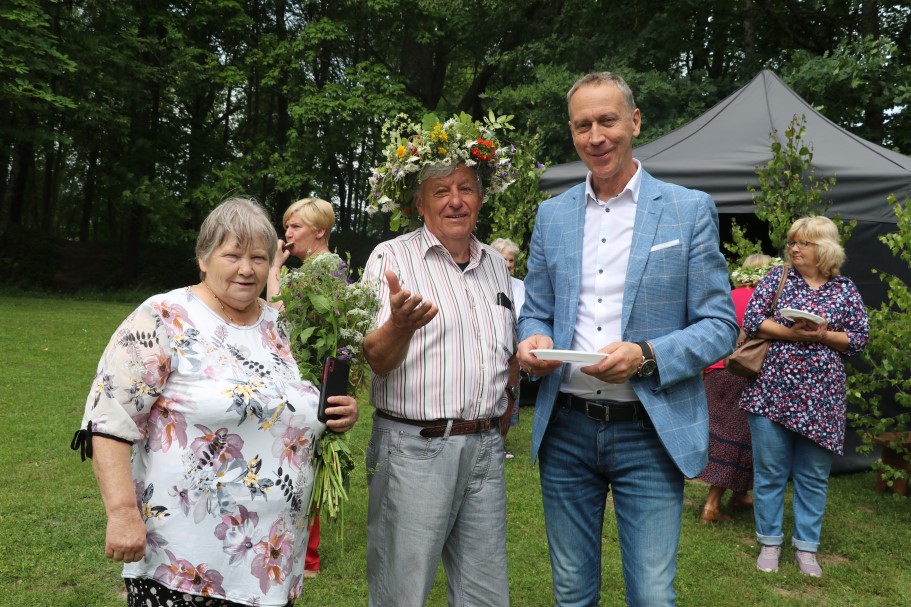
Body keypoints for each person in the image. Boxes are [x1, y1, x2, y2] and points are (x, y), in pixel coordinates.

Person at [516, 71, 739, 606]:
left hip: (649, 430)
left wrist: (647, 356)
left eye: (607, 121)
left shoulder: (687, 209)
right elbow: (536, 309)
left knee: (653, 594)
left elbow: (721, 325)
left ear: (634, 122)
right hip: (566, 429)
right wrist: (533, 339)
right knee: (572, 592)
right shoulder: (552, 215)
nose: (596, 136)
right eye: (582, 125)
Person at [70, 197, 359, 607]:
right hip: (183, 564)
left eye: (258, 257)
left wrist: (336, 414)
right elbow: (109, 419)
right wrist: (121, 513)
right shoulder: (163, 316)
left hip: (272, 562)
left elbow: (302, 404)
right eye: (233, 255)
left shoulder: (284, 326)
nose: (247, 269)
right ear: (203, 258)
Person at [362, 112, 521, 607]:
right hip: (415, 450)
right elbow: (375, 359)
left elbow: (506, 350)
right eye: (441, 191)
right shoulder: (392, 258)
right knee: (401, 592)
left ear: (481, 197)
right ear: (420, 203)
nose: (456, 200)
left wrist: (508, 401)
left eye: (466, 188)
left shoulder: (496, 265)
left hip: (486, 450)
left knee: (485, 595)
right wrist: (400, 325)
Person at [738, 216, 869, 577]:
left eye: (803, 243)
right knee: (770, 473)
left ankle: (807, 548)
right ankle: (769, 542)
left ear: (823, 248)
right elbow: (752, 319)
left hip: (822, 399)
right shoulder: (777, 278)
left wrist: (823, 335)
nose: (793, 249)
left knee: (812, 476)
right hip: (771, 393)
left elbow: (858, 338)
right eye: (792, 242)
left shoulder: (844, 289)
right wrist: (792, 333)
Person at [266, 196, 336, 577]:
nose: (288, 234)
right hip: (308, 372)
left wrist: (275, 268)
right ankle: (305, 550)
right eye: (287, 227)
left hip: (310, 375)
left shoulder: (321, 270)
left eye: (295, 227)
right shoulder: (320, 268)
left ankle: (308, 557)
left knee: (303, 457)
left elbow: (276, 313)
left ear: (319, 231)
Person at [698, 253, 775, 523]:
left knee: (720, 434)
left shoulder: (727, 297)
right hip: (742, 374)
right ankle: (711, 506)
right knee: (737, 438)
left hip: (714, 372)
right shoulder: (767, 304)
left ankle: (740, 494)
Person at [490, 237, 525, 459]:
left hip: (514, 347)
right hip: (491, 347)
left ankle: (501, 442)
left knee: (511, 392)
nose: (509, 264)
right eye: (504, 259)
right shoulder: (485, 283)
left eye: (511, 260)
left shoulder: (520, 286)